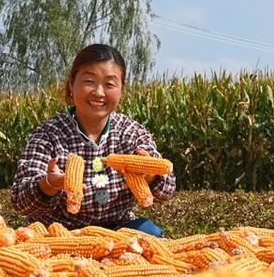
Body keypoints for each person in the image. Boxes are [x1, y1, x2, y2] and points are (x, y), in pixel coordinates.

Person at [11, 43, 176, 236]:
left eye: (109, 84)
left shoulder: (132, 133)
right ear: (71, 84)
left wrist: (150, 176)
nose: (99, 92)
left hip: (117, 228)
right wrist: (49, 184)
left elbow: (167, 189)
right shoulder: (48, 135)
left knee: (150, 233)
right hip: (57, 231)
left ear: (122, 89)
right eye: (89, 81)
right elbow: (19, 201)